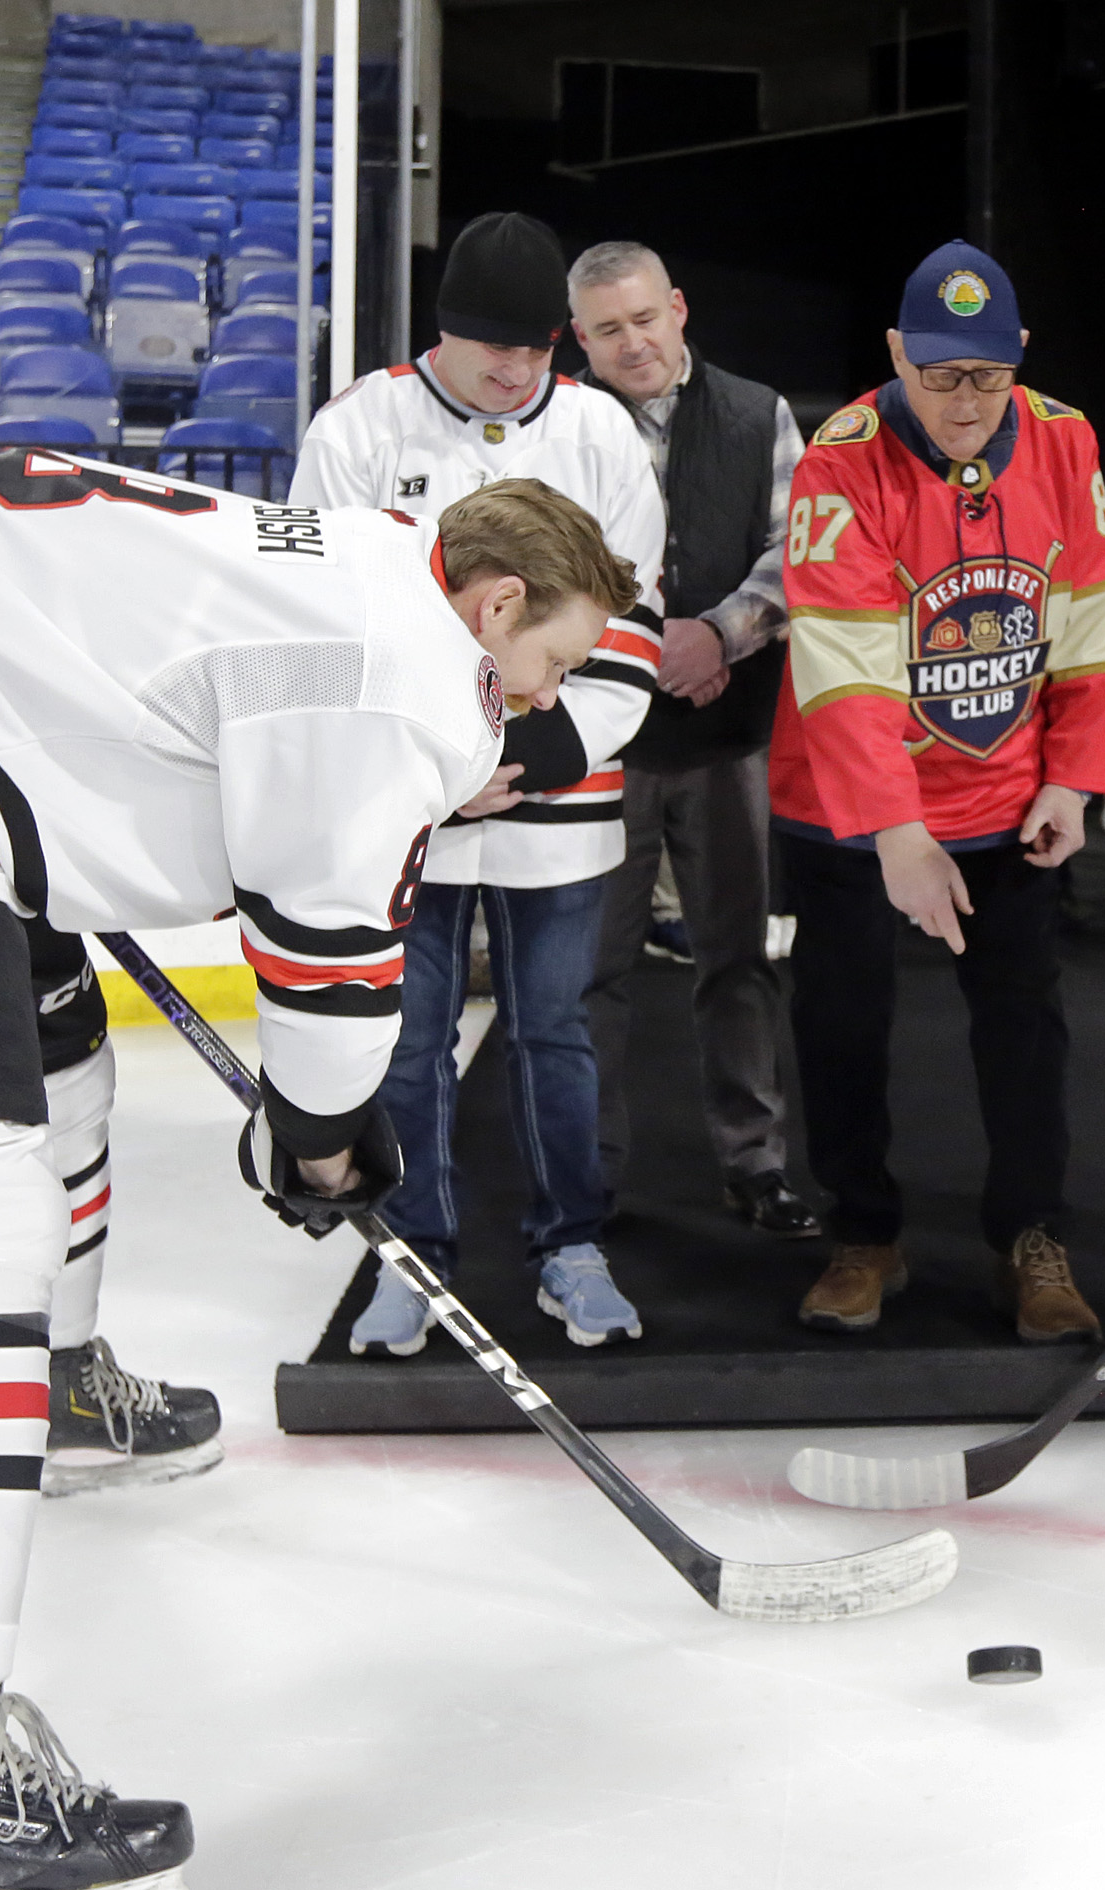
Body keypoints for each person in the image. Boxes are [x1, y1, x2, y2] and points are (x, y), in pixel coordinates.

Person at [0, 459, 632, 1890]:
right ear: (498, 600)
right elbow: (327, 987)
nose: (533, 705)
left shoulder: (385, 557)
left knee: (60, 1074)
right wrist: (321, 1137)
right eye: (549, 664)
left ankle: (53, 1390)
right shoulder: (403, 676)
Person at [292, 211, 668, 1350]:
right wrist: (439, 776)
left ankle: (572, 1243)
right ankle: (415, 1254)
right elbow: (324, 626)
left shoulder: (600, 431)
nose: (514, 371)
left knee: (557, 1026)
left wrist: (532, 757)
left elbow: (635, 624)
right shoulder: (360, 428)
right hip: (411, 809)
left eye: (537, 348)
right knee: (408, 1036)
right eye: (490, 348)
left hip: (562, 803)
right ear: (442, 335)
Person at [773, 240, 1105, 1342]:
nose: (963, 402)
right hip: (851, 805)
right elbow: (844, 666)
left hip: (1006, 797)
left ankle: (1032, 1237)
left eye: (984, 374)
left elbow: (1092, 619)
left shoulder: (1066, 440)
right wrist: (894, 829)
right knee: (842, 1022)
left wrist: (1076, 779)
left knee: (1025, 1027)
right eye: (938, 376)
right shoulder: (841, 459)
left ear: (1018, 356)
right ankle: (865, 1232)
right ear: (895, 357)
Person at [565, 238, 817, 1238]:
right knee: (591, 977)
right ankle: (586, 1176)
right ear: (578, 340)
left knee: (738, 963)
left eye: (644, 319)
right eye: (606, 330)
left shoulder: (761, 413)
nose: (632, 344)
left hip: (727, 737)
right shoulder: (562, 425)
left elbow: (794, 552)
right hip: (598, 747)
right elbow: (537, 559)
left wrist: (718, 634)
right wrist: (640, 647)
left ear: (677, 307)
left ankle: (754, 1164)